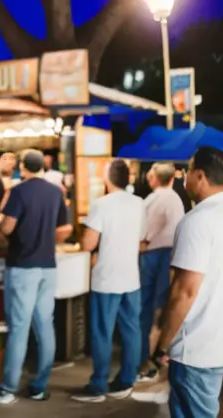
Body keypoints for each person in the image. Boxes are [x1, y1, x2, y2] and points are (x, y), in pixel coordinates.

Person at [0, 149, 72, 405]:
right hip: (48, 266)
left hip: (22, 266)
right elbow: (65, 228)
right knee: (45, 325)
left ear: (23, 167)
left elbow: (8, 226)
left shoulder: (19, 191)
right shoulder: (56, 192)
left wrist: (3, 223)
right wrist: (45, 239)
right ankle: (39, 386)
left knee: (19, 327)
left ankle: (8, 388)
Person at [150, 147, 223, 418]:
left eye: (188, 172)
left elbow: (185, 291)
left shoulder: (198, 220)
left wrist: (163, 344)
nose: (184, 179)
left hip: (196, 350)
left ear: (200, 176)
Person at [72, 159, 145, 402]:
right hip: (131, 276)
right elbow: (142, 240)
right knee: (131, 330)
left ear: (108, 178)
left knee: (102, 332)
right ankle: (127, 380)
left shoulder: (101, 205)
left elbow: (88, 243)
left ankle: (98, 385)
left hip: (107, 277)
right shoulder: (139, 204)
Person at [136, 161, 185, 382]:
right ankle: (159, 355)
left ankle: (145, 359)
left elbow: (143, 231)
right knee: (162, 306)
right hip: (171, 256)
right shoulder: (176, 199)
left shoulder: (151, 200)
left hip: (152, 255)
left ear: (154, 178)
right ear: (173, 179)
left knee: (145, 307)